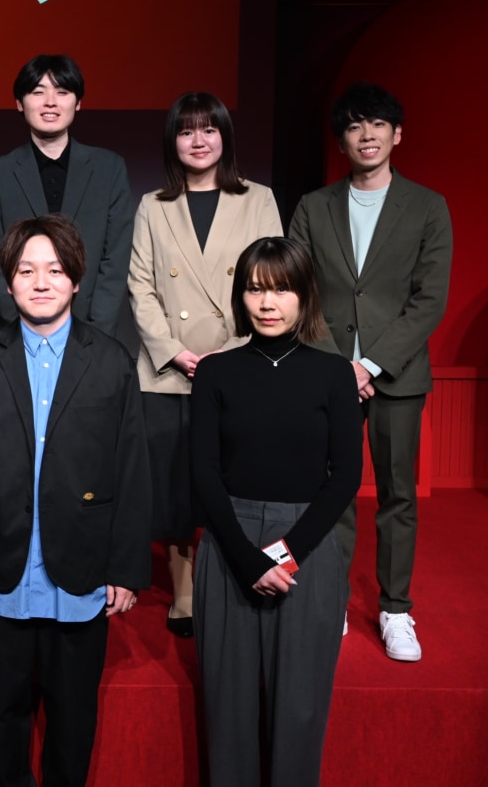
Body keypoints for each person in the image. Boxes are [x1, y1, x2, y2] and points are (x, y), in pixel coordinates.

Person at [0, 214, 150, 787]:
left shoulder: (112, 362)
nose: (40, 282)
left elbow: (133, 470)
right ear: (8, 283)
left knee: (73, 724)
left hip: (81, 572)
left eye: (55, 270)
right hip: (0, 572)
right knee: (2, 719)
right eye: (26, 270)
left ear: (76, 280)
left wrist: (126, 567)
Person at [288, 80, 452, 663]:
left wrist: (372, 363)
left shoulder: (427, 206)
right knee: (331, 490)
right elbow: (298, 290)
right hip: (327, 372)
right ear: (342, 141)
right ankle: (330, 598)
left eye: (377, 124)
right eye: (354, 126)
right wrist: (340, 367)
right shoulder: (313, 207)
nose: (367, 135)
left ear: (396, 134)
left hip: (397, 377)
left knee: (397, 494)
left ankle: (396, 609)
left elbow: (429, 300)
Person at [191, 237, 362, 787]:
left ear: (305, 295)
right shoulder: (216, 372)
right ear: (240, 297)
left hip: (308, 545)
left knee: (300, 712)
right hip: (228, 543)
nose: (268, 303)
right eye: (255, 289)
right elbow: (202, 474)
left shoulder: (334, 373)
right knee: (228, 713)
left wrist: (284, 556)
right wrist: (248, 561)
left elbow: (347, 478)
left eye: (282, 289)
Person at [127, 92, 282, 638]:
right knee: (176, 488)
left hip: (240, 362)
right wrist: (173, 350)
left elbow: (273, 278)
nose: (199, 140)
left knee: (236, 476)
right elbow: (141, 286)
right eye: (187, 130)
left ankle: (238, 569)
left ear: (225, 136)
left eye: (209, 129)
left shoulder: (258, 199)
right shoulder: (153, 205)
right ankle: (185, 590)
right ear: (173, 141)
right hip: (171, 369)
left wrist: (234, 348)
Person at [0, 54, 132, 335]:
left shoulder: (109, 168)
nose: (50, 102)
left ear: (78, 102)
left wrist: (95, 332)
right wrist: (24, 330)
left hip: (92, 333)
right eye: (38, 92)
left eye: (62, 92)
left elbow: (115, 260)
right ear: (19, 103)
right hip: (17, 334)